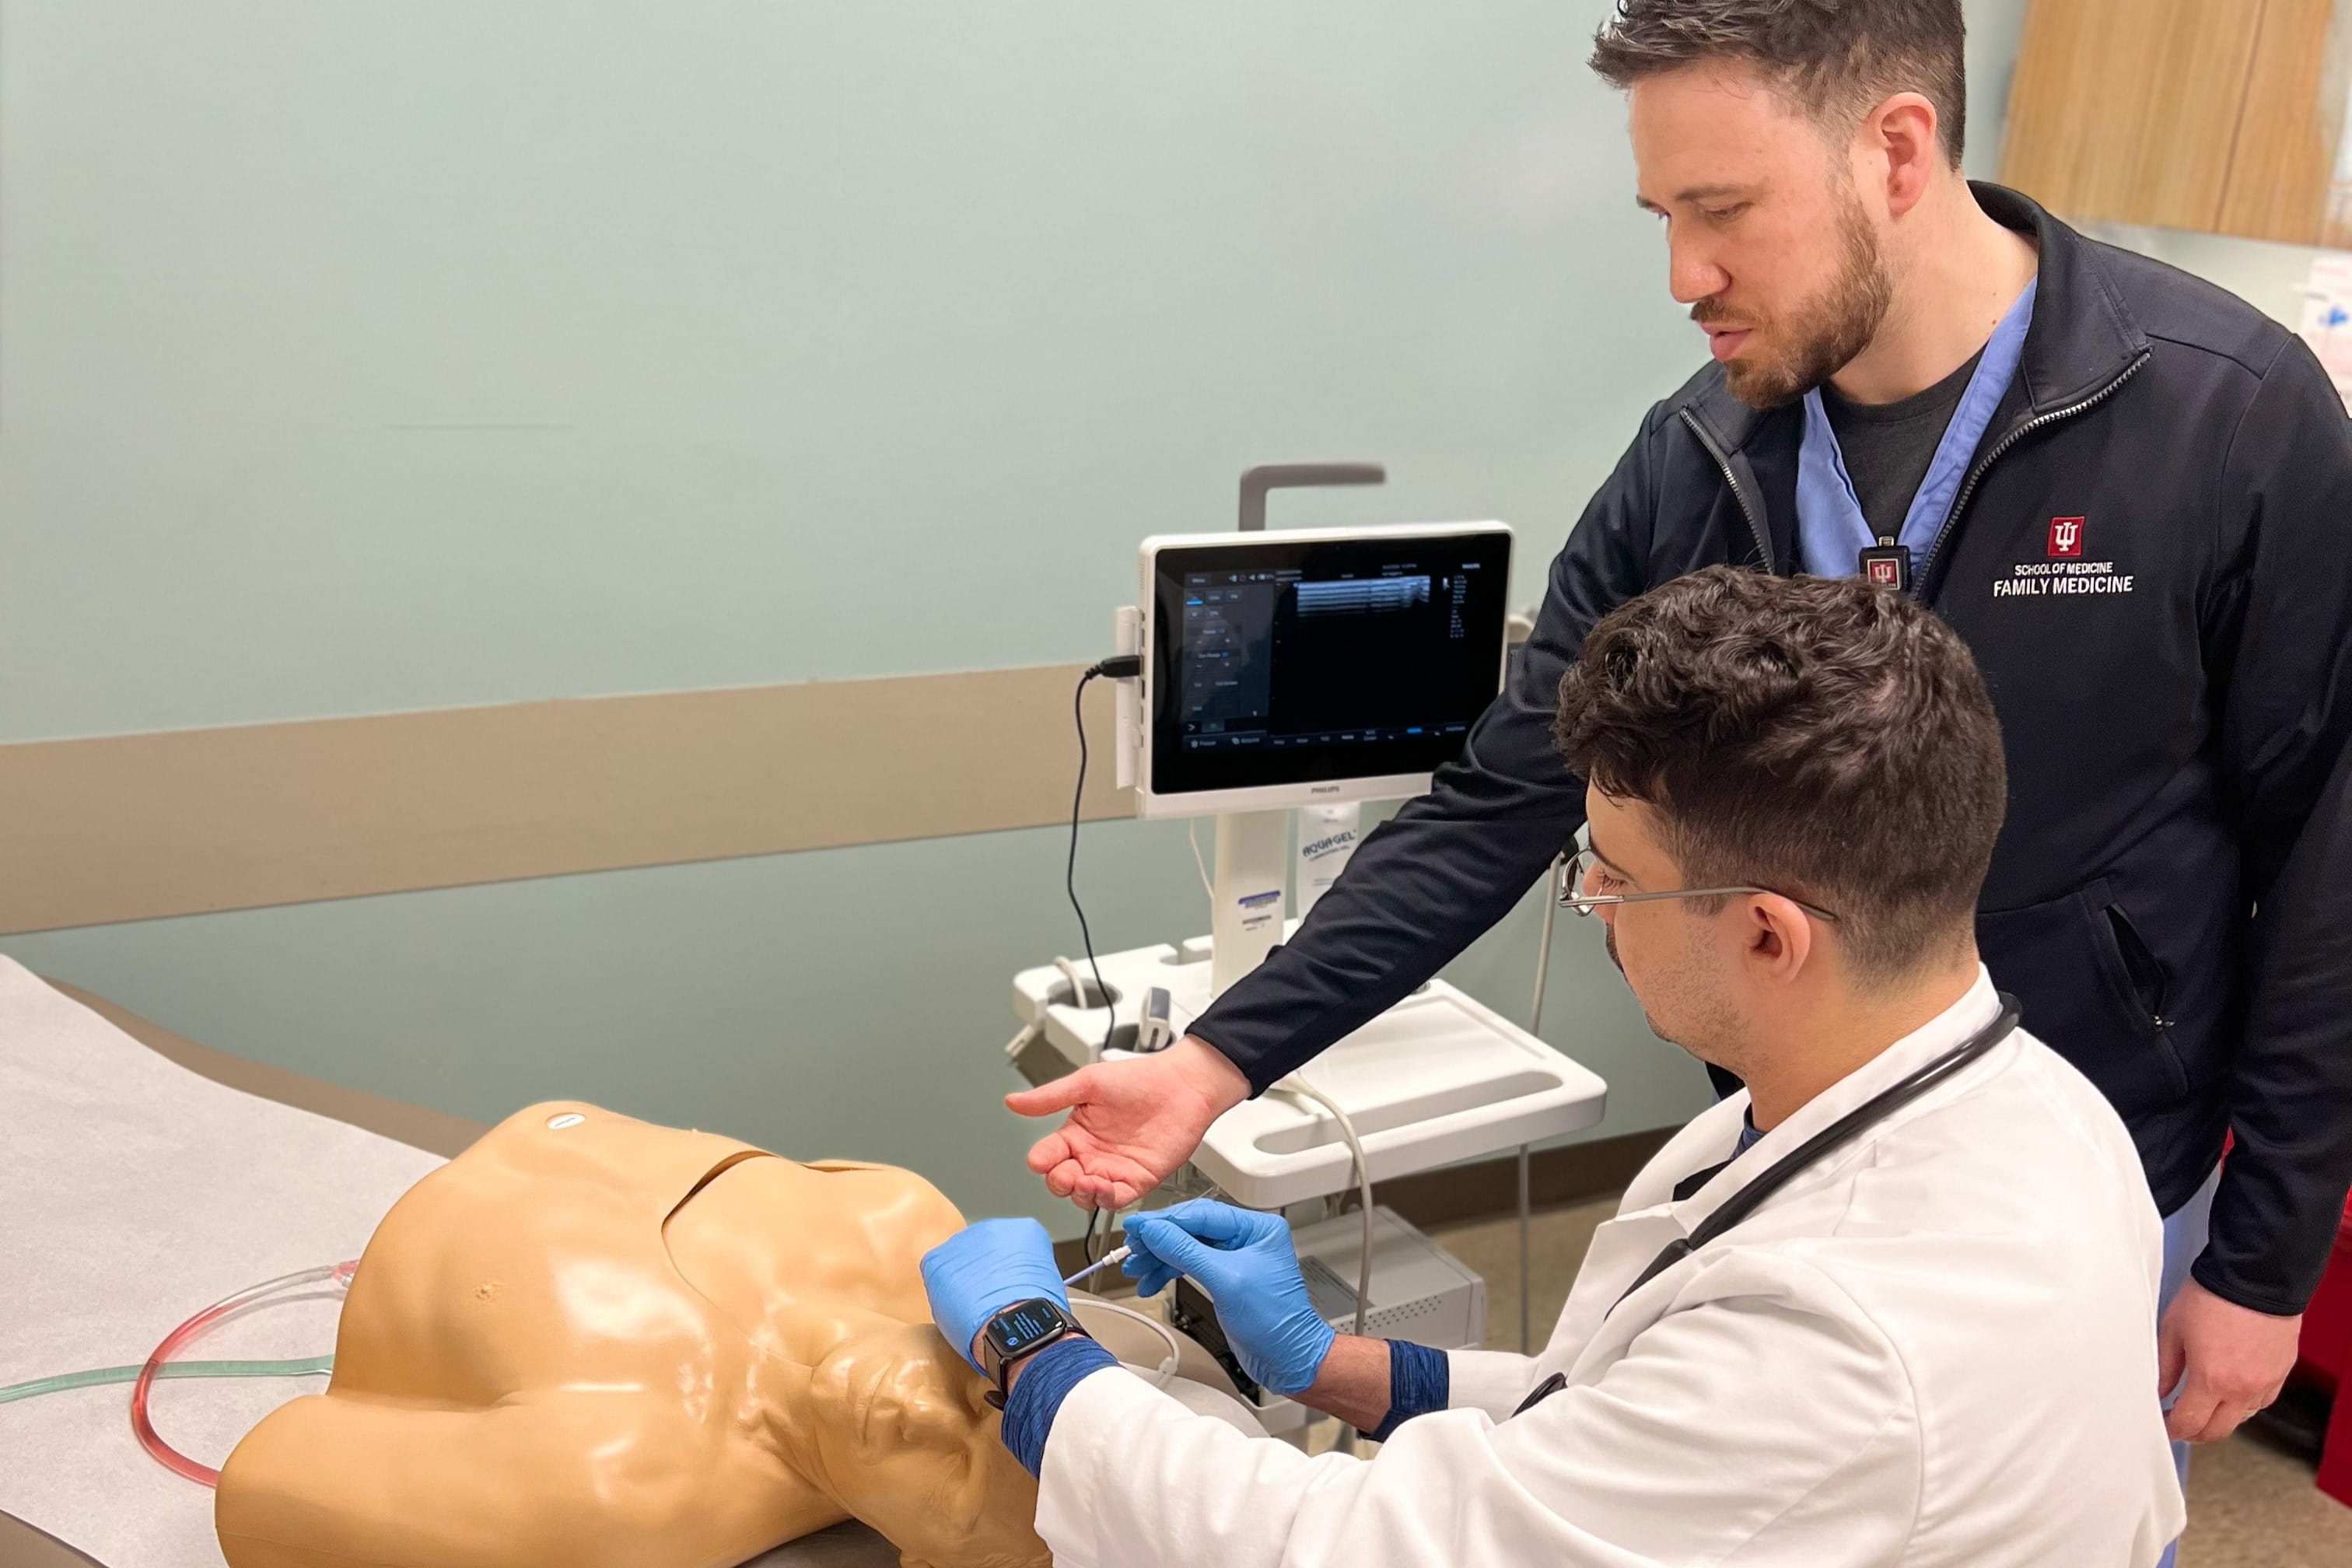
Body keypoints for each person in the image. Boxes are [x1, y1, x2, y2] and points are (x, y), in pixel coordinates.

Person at [1008, 0, 2352, 1497]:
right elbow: (1503, 794)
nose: (1682, 277)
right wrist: (1216, 1061)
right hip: (1791, 1145)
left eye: (1722, 212)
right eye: (1662, 214)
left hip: (2104, 1157)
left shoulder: (2222, 417)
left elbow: (2329, 854)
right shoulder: (1703, 454)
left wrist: (2265, 1257)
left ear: (1896, 150)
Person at [928, 569, 2183, 1565]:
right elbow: (1617, 1424)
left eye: (1614, 878)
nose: (1590, 897)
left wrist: (1036, 1353)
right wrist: (1329, 1366)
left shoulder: (1843, 1345)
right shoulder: (2040, 1106)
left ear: (1766, 932)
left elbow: (1342, 1548)